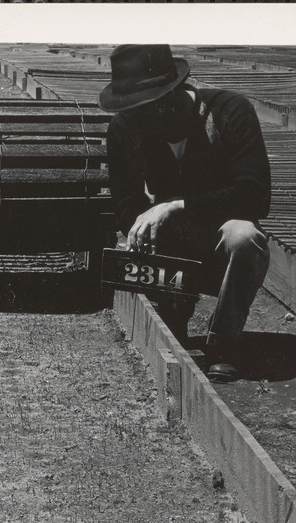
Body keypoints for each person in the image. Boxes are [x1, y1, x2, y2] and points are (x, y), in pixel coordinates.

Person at [100, 44, 271, 382]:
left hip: (220, 230)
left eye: (150, 105)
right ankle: (173, 310)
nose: (142, 116)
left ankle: (223, 343)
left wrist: (176, 205)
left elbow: (254, 195)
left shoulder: (229, 112)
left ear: (173, 94)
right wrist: (144, 223)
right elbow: (126, 201)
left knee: (245, 238)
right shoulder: (126, 127)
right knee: (141, 231)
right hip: (174, 239)